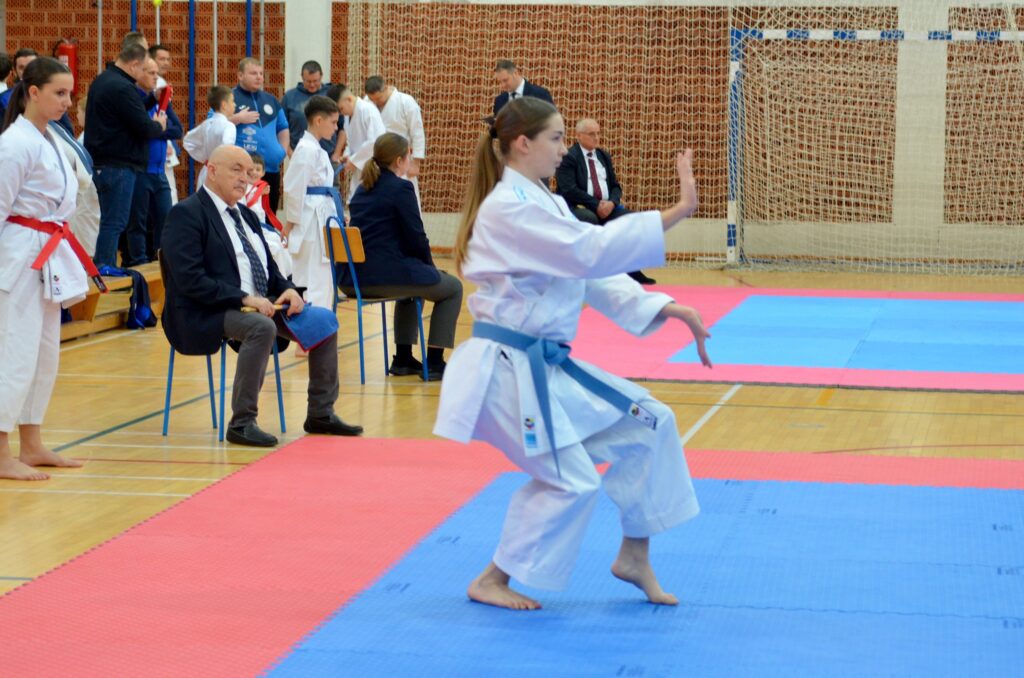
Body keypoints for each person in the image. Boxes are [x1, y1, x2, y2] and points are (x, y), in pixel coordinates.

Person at [433, 96, 711, 610]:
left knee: (651, 423)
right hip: (508, 374)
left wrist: (666, 306)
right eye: (557, 138)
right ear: (523, 144)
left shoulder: (548, 203)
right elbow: (588, 252)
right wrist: (675, 214)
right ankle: (492, 579)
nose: (564, 149)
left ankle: (634, 556)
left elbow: (590, 273)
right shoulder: (509, 209)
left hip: (545, 366)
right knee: (573, 481)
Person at [161, 145, 363, 447]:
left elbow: (268, 267)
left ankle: (320, 413)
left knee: (324, 320)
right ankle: (242, 423)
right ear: (212, 171)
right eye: (236, 170)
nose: (245, 178)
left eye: (248, 172)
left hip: (261, 302)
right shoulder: (186, 214)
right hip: (208, 309)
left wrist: (287, 288)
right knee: (261, 327)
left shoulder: (245, 214)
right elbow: (190, 279)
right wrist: (244, 299)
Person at [0, 57, 92, 480]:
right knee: (13, 354)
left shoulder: (50, 138)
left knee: (43, 354)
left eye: (69, 93)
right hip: (19, 256)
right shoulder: (13, 144)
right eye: (59, 93)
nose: (67, 101)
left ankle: (32, 443)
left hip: (49, 253)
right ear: (32, 92)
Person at [344, 133, 462, 381]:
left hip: (352, 278)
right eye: (409, 155)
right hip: (382, 276)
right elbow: (416, 237)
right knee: (453, 288)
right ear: (399, 160)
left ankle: (403, 359)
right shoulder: (402, 188)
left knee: (413, 285)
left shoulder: (362, 190)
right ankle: (435, 361)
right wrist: (431, 268)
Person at [85, 42, 168, 268]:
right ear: (134, 65)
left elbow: (128, 112)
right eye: (144, 70)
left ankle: (104, 265)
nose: (145, 75)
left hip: (106, 162)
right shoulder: (122, 87)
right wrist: (159, 125)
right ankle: (105, 267)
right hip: (118, 164)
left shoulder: (105, 79)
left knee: (112, 219)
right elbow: (144, 127)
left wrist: (153, 99)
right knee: (115, 221)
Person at [556, 118, 656, 285]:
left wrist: (612, 203)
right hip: (578, 206)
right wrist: (596, 205)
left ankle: (632, 271)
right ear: (578, 135)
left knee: (631, 219)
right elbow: (568, 189)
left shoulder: (603, 156)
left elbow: (615, 186)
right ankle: (593, 272)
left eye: (598, 133)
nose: (596, 137)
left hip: (606, 206)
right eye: (591, 134)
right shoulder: (569, 156)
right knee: (589, 218)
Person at [282, 95, 342, 327]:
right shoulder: (306, 149)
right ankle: (309, 332)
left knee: (322, 276)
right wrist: (290, 224)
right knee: (311, 277)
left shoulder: (315, 148)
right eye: (333, 122)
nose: (336, 128)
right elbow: (294, 188)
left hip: (321, 216)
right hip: (309, 221)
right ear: (318, 120)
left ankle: (318, 330)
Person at [125, 56, 182, 264]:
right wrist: (156, 127)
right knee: (138, 221)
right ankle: (138, 261)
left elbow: (177, 130)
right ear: (138, 72)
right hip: (141, 170)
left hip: (160, 171)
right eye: (151, 73)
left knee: (166, 219)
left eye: (157, 73)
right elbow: (135, 130)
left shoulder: (161, 101)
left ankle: (162, 260)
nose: (156, 77)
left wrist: (154, 128)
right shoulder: (133, 100)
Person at [231, 58, 290, 211]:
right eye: (253, 73)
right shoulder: (229, 98)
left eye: (261, 74)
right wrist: (238, 118)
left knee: (269, 215)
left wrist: (282, 151)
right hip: (243, 171)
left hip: (270, 170)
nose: (258, 77)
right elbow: (214, 124)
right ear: (240, 75)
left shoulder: (271, 100)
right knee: (243, 215)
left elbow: (283, 127)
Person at [364, 76, 426, 202]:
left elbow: (417, 132)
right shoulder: (366, 103)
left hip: (400, 159)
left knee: (405, 198)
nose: (375, 102)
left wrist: (416, 163)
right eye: (372, 99)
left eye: (378, 98)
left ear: (386, 88)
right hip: (375, 159)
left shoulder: (406, 102)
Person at [335, 86, 385, 202]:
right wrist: (347, 156)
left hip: (374, 169)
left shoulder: (368, 110)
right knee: (358, 202)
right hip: (360, 169)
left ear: (349, 99)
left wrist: (353, 160)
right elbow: (351, 142)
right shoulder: (348, 116)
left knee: (372, 202)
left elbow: (376, 141)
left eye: (341, 108)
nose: (341, 113)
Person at [244, 152, 290, 277]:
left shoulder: (260, 189)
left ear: (263, 173)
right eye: (251, 169)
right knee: (275, 246)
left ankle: (285, 277)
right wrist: (258, 192)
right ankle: (281, 278)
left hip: (260, 228)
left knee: (282, 242)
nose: (254, 172)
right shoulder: (243, 188)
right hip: (249, 230)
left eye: (258, 169)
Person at [182, 85, 236, 188]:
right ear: (224, 105)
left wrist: (204, 157)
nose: (235, 104)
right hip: (221, 174)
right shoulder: (229, 126)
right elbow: (227, 150)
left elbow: (188, 141)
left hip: (206, 172)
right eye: (232, 101)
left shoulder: (206, 124)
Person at [282, 60, 333, 153]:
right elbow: (281, 128)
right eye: (308, 81)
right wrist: (290, 153)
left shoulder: (331, 95)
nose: (312, 85)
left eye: (315, 81)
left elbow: (342, 127)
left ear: (321, 76)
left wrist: (336, 153)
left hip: (329, 154)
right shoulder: (289, 97)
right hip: (299, 153)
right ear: (302, 77)